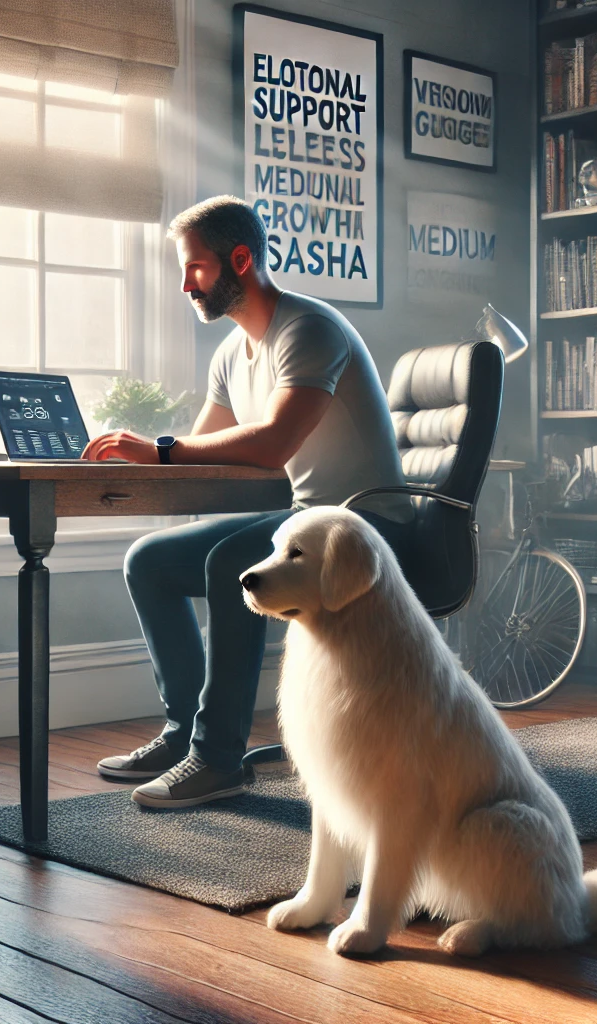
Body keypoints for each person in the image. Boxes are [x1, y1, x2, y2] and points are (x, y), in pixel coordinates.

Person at [82, 195, 412, 808]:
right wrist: (133, 458)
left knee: (232, 560)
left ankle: (217, 758)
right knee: (147, 561)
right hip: (304, 519)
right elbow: (207, 450)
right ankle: (184, 735)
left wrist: (157, 449)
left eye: (197, 268)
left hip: (365, 522)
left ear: (241, 259)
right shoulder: (232, 354)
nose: (185, 285)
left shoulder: (309, 330)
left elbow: (273, 441)